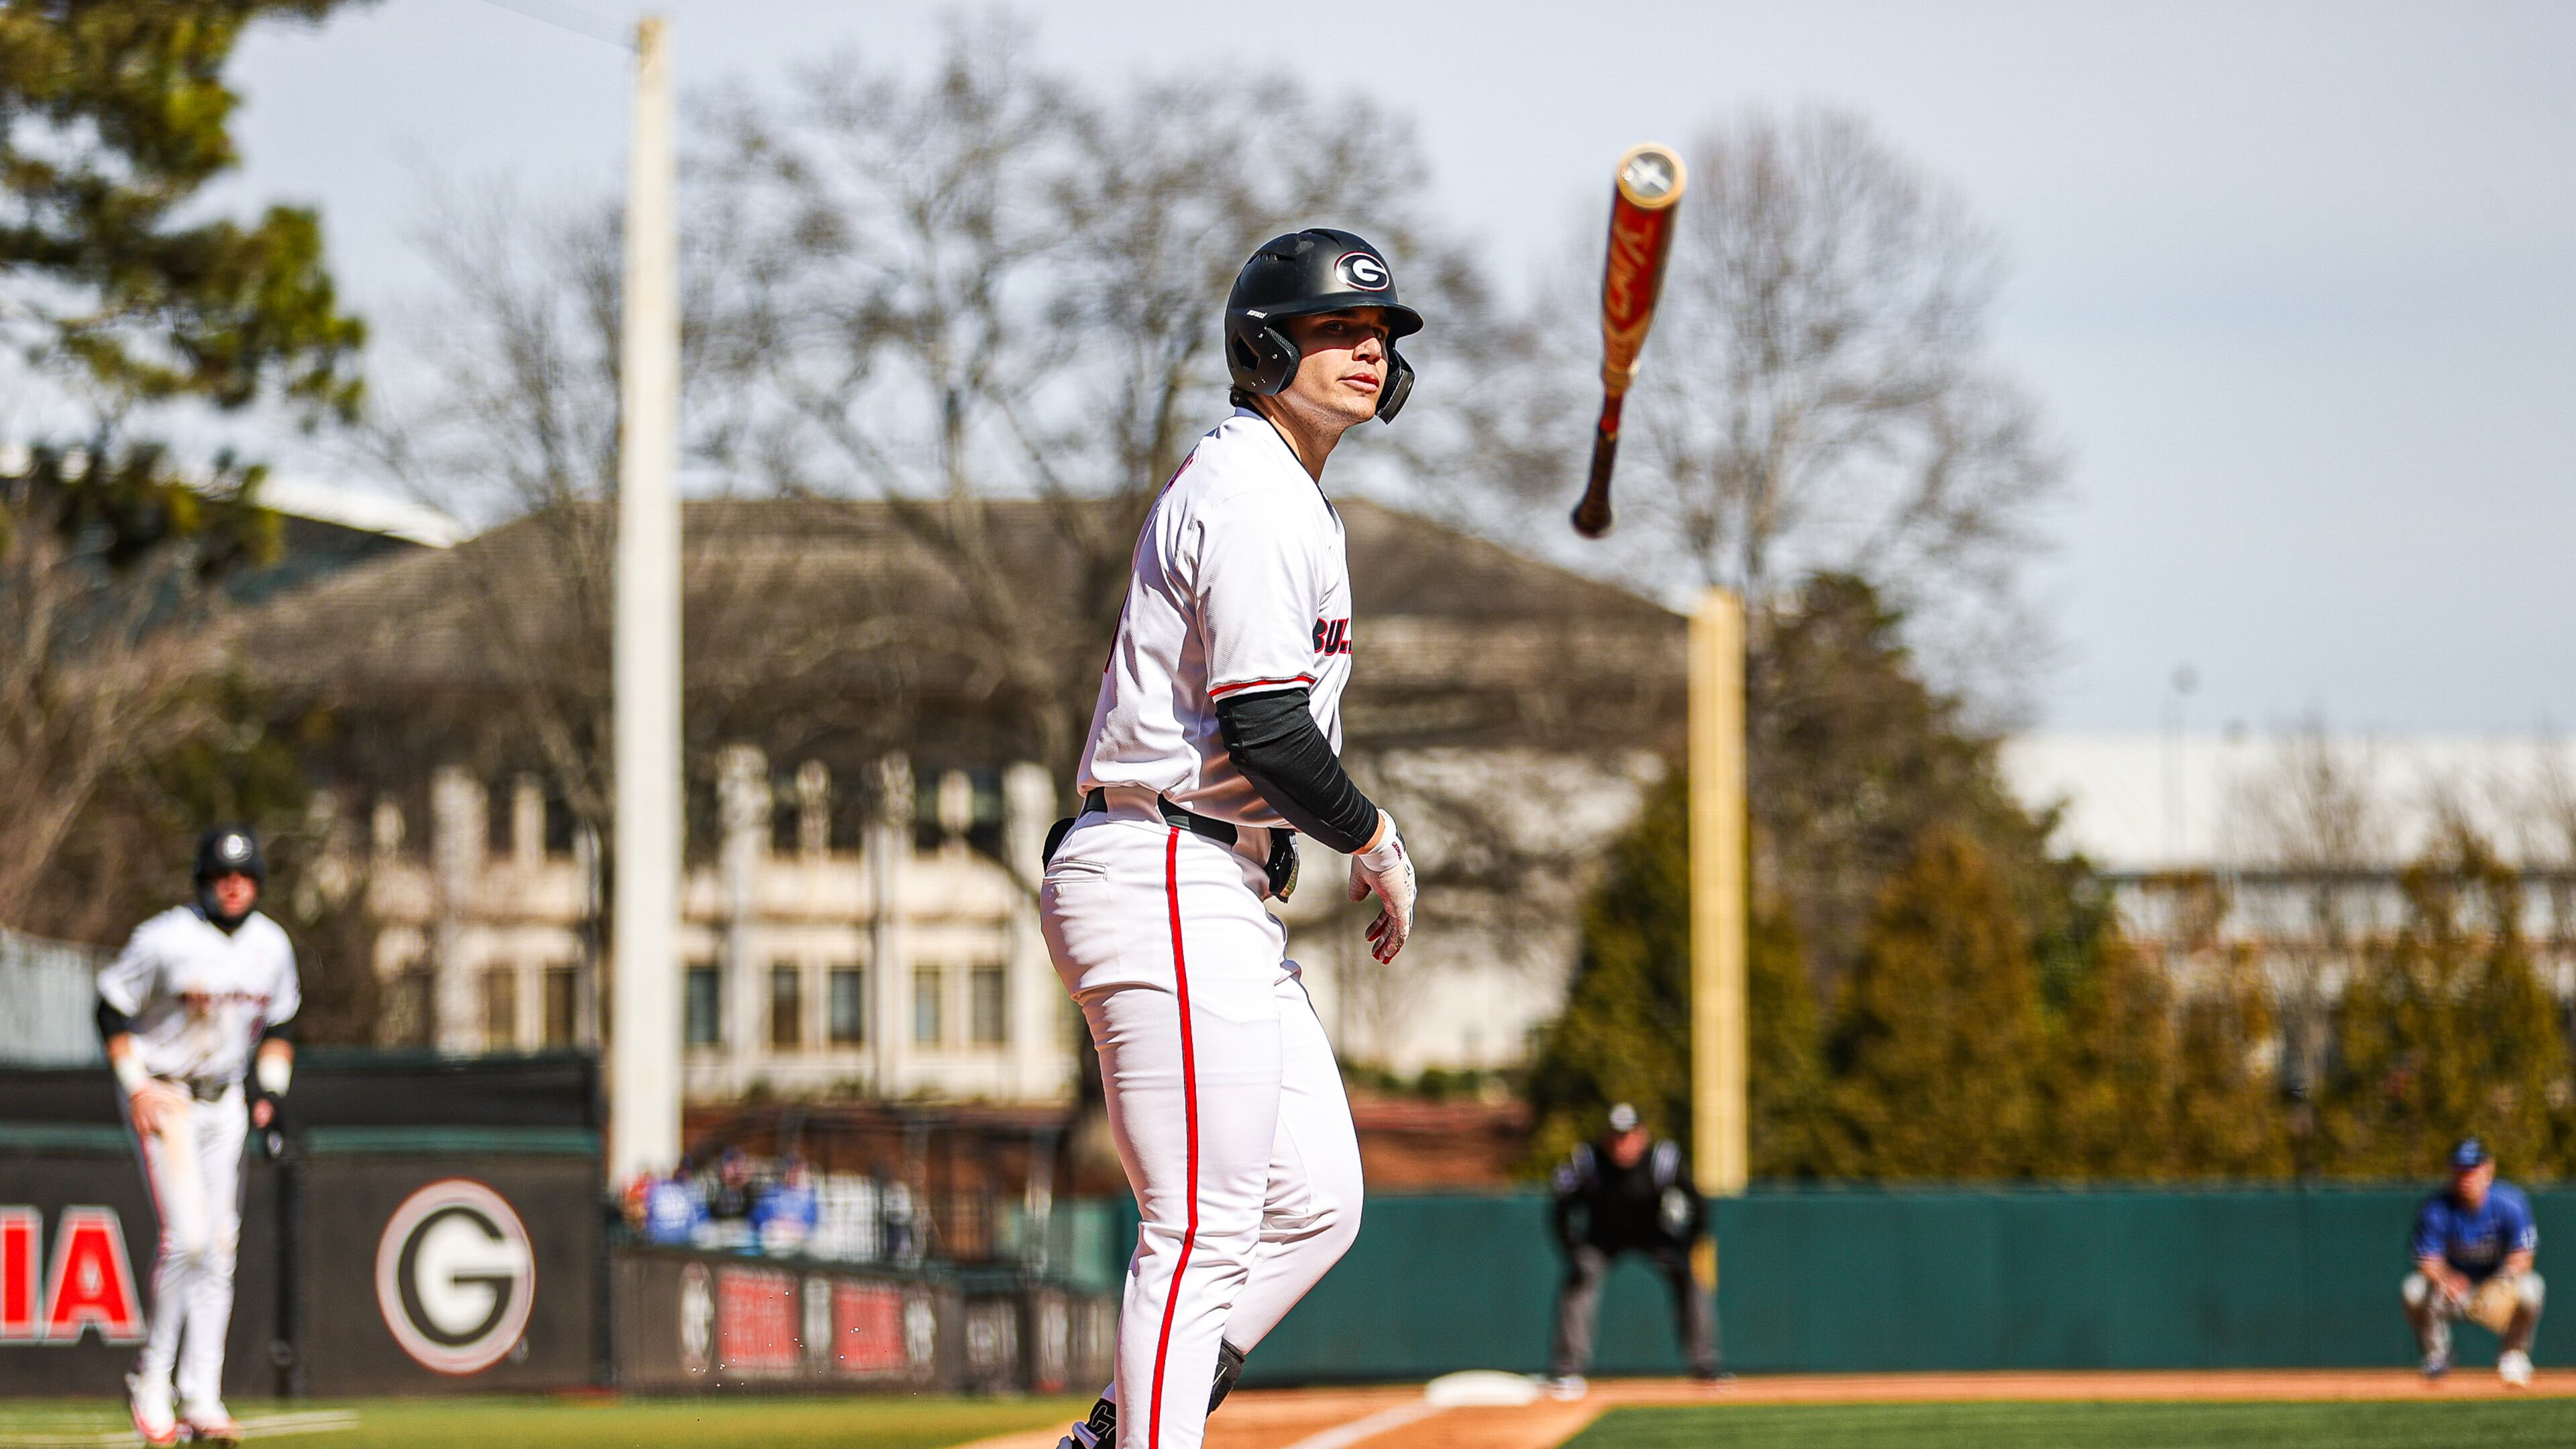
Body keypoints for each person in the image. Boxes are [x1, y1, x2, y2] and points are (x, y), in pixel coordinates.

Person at [1039, 227, 1423, 1449]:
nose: (1368, 346)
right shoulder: (1252, 490)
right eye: (1335, 328)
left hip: (1211, 878)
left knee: (1313, 1204)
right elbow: (1264, 728)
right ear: (1264, 346)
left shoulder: (1286, 495)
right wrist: (1371, 837)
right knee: (1199, 1227)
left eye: (1379, 333)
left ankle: (1125, 1429)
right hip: (1163, 863)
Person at [95, 825, 300, 1446]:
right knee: (185, 1238)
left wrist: (270, 1094)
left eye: (244, 875)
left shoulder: (272, 944)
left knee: (218, 1246)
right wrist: (134, 1083)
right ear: (203, 880)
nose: (234, 886)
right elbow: (109, 1006)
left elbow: (283, 1022)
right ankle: (151, 1378)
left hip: (226, 1099)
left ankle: (203, 1394)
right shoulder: (165, 938)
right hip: (168, 1092)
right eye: (222, 875)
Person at [1546, 1103, 1723, 1395]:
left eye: (1628, 1135)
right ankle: (1568, 1370)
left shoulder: (1663, 1160)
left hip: (1655, 1233)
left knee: (1690, 1279)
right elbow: (1561, 1209)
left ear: (1642, 1136)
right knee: (1578, 1279)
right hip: (1602, 1236)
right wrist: (1572, 1251)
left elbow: (1699, 1204)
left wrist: (1688, 1247)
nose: (1622, 1144)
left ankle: (1706, 1366)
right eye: (1616, 1136)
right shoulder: (1587, 1161)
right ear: (1606, 1137)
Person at [2405, 1138, 2543, 1386]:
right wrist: (2446, 1279)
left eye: (2472, 1168)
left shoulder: (2510, 1201)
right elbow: (2427, 1261)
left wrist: (2503, 1281)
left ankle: (2513, 1355)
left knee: (2532, 1289)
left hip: (2495, 1287)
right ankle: (2438, 1355)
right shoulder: (2435, 1208)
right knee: (2413, 1290)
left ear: (2488, 1169)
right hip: (2454, 1292)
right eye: (2459, 1169)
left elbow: (2524, 1254)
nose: (2465, 1176)